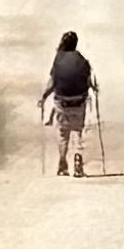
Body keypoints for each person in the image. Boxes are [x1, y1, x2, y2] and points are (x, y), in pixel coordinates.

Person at [42, 31, 94, 175]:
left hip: (62, 103)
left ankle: (63, 164)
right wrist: (94, 89)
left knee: (63, 132)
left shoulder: (58, 59)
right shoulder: (82, 60)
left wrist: (44, 97)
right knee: (77, 130)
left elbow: (52, 83)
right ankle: (78, 159)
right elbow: (89, 82)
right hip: (79, 101)